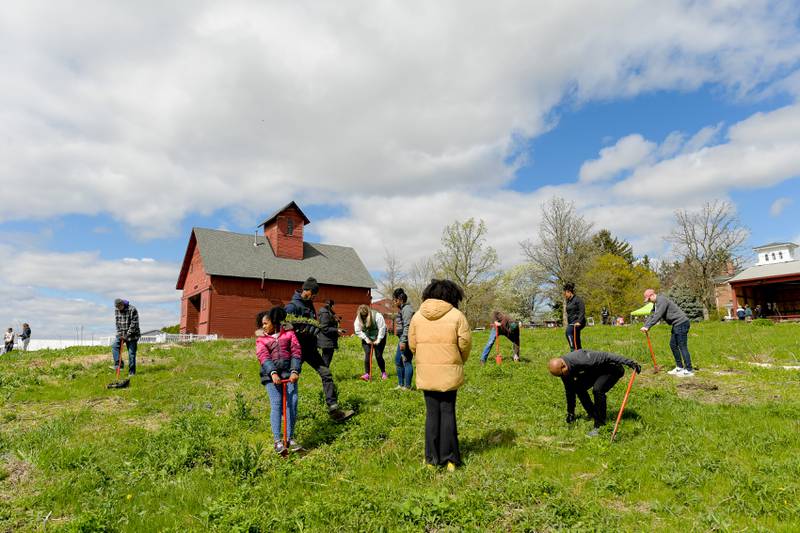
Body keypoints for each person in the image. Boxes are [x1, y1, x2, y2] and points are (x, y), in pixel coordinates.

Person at [409, 279, 471, 471]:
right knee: (448, 412)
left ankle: (431, 460)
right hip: (449, 372)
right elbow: (465, 344)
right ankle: (450, 459)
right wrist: (457, 360)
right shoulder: (457, 316)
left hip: (427, 372)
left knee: (432, 414)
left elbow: (413, 345)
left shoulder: (417, 317)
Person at [285, 277, 354, 421]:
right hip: (297, 350)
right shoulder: (292, 306)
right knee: (291, 378)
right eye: (314, 294)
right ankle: (286, 414)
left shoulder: (309, 304)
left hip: (311, 349)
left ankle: (334, 410)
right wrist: (298, 331)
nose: (315, 297)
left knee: (326, 373)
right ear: (307, 290)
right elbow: (284, 328)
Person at [548, 350, 641, 437]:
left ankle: (599, 426)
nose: (563, 377)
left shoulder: (581, 359)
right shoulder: (563, 371)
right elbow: (569, 390)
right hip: (596, 370)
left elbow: (607, 356)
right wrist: (570, 413)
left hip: (612, 369)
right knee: (578, 387)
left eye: (562, 374)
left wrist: (630, 362)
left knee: (598, 390)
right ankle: (593, 414)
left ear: (563, 366)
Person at [256, 306, 303, 454]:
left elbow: (296, 351)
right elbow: (263, 357)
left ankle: (289, 438)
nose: (263, 326)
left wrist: (295, 370)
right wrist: (273, 373)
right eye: (262, 324)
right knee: (276, 404)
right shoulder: (262, 340)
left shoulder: (289, 334)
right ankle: (278, 441)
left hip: (289, 374)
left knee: (292, 403)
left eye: (265, 323)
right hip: (271, 376)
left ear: (274, 322)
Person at [640, 289, 694, 377]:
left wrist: (648, 327)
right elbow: (652, 315)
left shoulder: (661, 300)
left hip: (681, 323)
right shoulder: (656, 304)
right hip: (676, 325)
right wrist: (645, 325)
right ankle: (679, 367)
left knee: (682, 346)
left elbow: (658, 315)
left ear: (652, 295)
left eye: (649, 299)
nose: (649, 302)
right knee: (673, 345)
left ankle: (689, 369)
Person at [353, 304, 388, 381]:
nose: (364, 318)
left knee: (378, 355)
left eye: (365, 316)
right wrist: (366, 339)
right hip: (367, 336)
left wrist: (378, 340)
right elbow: (357, 330)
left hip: (379, 335)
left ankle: (383, 372)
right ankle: (367, 374)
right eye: (362, 316)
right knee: (368, 354)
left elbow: (382, 328)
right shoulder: (358, 318)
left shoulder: (377, 316)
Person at [392, 288, 415, 390]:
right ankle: (400, 385)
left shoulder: (407, 309)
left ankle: (407, 386)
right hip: (402, 339)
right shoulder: (402, 309)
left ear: (400, 300)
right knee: (398, 361)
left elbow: (407, 326)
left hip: (406, 340)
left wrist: (403, 341)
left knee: (406, 361)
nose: (394, 302)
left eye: (395, 300)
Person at [113, 299, 140, 375]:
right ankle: (119, 364)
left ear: (122, 304)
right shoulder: (117, 310)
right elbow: (117, 323)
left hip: (132, 335)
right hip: (122, 334)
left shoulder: (132, 310)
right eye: (117, 307)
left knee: (131, 353)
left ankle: (131, 372)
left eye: (119, 307)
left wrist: (127, 335)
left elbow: (134, 324)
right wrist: (119, 334)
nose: (118, 309)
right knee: (114, 347)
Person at [317, 299, 341, 367]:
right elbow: (325, 328)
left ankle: (324, 373)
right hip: (327, 340)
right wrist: (337, 330)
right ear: (332, 305)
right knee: (326, 360)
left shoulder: (327, 312)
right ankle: (325, 375)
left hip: (327, 340)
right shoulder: (325, 313)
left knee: (325, 359)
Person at [564, 283, 586, 350]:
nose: (564, 295)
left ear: (569, 292)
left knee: (568, 331)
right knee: (576, 338)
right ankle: (580, 352)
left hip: (578, 321)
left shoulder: (578, 300)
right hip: (572, 322)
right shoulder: (569, 301)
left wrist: (579, 321)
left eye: (565, 294)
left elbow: (582, 311)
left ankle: (573, 350)